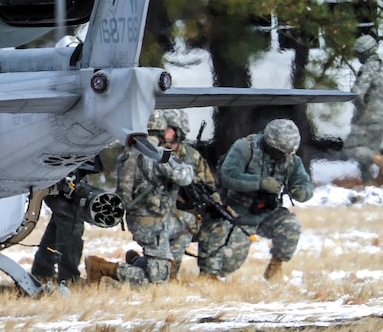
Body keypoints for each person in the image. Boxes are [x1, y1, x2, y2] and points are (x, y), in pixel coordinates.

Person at [86, 110, 194, 286]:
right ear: (160, 131)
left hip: (139, 219)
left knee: (188, 222)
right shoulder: (159, 155)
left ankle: (152, 264)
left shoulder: (128, 153)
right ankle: (102, 268)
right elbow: (185, 178)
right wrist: (181, 163)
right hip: (153, 224)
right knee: (157, 283)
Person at [204, 118, 313, 281]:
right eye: (280, 151)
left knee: (291, 225)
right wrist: (259, 183)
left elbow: (304, 183)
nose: (284, 155)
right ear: (270, 143)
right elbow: (228, 176)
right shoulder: (244, 148)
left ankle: (276, 266)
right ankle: (208, 275)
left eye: (287, 152)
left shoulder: (290, 159)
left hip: (267, 212)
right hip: (237, 214)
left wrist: (301, 192)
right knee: (226, 264)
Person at [161, 109, 221, 278]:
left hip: (189, 211)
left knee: (218, 223)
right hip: (163, 213)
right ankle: (167, 272)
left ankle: (210, 273)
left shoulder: (192, 156)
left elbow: (209, 186)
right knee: (185, 225)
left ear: (178, 131)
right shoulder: (154, 154)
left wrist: (217, 206)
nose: (163, 132)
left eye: (168, 128)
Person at [29, 157, 103, 287]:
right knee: (71, 222)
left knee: (60, 221)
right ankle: (69, 278)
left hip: (63, 176)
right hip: (65, 178)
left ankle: (43, 269)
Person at [345, 35, 383, 184]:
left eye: (358, 53)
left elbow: (358, 93)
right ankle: (372, 186)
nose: (357, 56)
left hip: (371, 116)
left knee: (352, 147)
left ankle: (378, 165)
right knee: (371, 149)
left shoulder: (369, 67)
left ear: (365, 52)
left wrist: (360, 112)